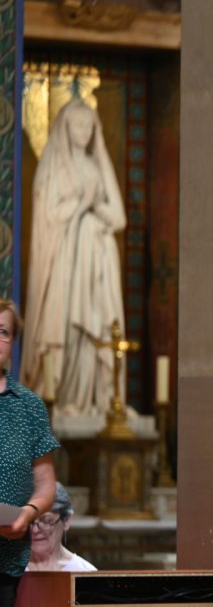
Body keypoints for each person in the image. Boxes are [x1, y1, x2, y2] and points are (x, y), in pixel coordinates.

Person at [21, 98, 127, 416]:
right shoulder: (52, 170)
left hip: (97, 266)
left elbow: (119, 217)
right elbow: (49, 219)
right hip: (65, 268)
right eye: (76, 126)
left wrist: (91, 207)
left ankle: (96, 398)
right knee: (69, 327)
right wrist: (83, 205)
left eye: (88, 126)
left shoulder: (97, 166)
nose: (82, 132)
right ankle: (62, 397)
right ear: (65, 129)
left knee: (97, 329)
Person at [0, 298, 60, 607]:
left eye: (3, 332)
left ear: (12, 343)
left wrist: (29, 512)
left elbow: (45, 483)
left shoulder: (30, 407)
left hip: (6, 556)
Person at [26, 483, 97, 572]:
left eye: (46, 521)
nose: (35, 530)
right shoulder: (7, 571)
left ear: (66, 521)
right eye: (29, 520)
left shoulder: (84, 573)